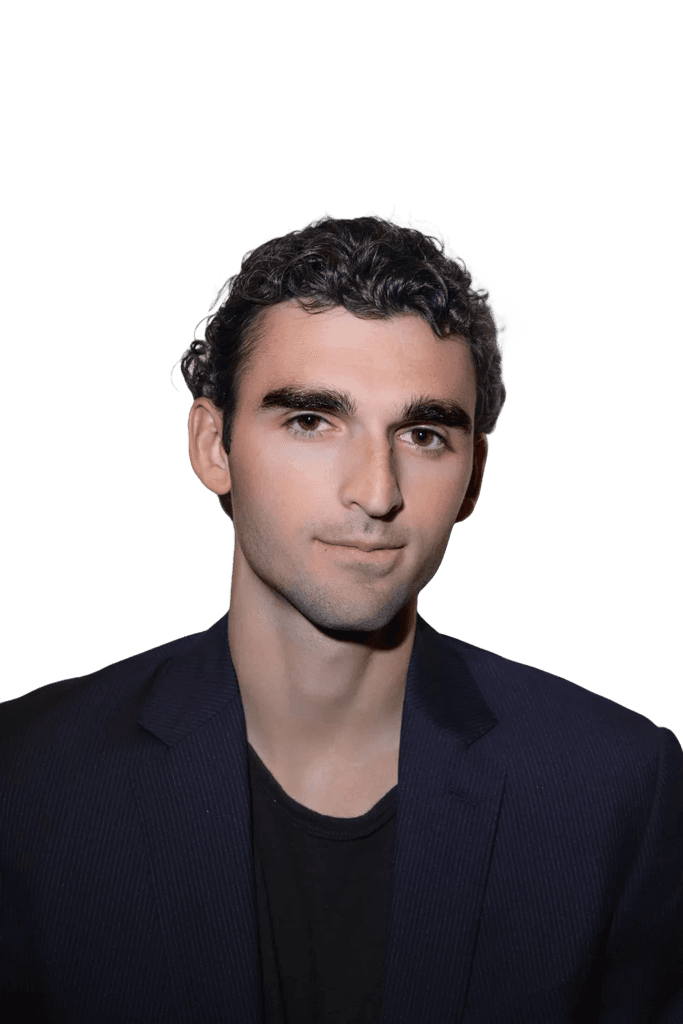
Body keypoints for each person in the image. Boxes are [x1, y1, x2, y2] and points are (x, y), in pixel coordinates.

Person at [1, 208, 681, 1024]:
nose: (376, 491)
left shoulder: (615, 789)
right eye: (311, 421)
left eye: (423, 434)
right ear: (213, 444)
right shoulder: (25, 779)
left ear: (472, 476)